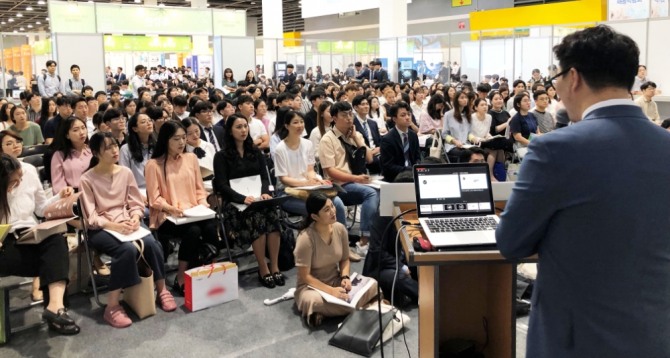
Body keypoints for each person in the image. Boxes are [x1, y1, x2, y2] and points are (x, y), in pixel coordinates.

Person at [496, 25, 670, 358]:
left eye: (556, 78)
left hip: (576, 339)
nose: (556, 89)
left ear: (573, 77)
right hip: (655, 334)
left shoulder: (554, 150)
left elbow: (511, 242)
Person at [80, 132, 176, 328]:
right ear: (96, 152)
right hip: (101, 228)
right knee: (126, 250)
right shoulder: (87, 179)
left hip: (126, 222)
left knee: (152, 244)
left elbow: (135, 203)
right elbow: (91, 216)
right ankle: (112, 305)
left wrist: (134, 217)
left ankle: (162, 289)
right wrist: (114, 226)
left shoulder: (125, 172)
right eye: (108, 147)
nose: (115, 150)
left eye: (115, 145)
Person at [0, 154, 81, 335]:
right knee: (52, 261)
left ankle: (55, 307)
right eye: (14, 182)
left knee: (57, 240)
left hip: (30, 234)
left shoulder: (28, 170)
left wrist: (59, 197)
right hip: (5, 244)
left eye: (20, 178)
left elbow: (41, 208)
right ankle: (58, 313)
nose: (20, 182)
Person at [145, 121, 219, 295]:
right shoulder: (154, 165)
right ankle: (181, 277)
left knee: (210, 226)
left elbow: (199, 189)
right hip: (168, 216)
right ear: (165, 140)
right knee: (192, 231)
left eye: (183, 138)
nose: (181, 142)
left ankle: (211, 271)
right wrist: (170, 208)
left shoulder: (191, 158)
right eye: (176, 139)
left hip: (193, 211)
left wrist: (203, 204)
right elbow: (154, 199)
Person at [213, 115, 284, 289]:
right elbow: (221, 186)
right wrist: (241, 198)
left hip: (257, 198)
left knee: (272, 215)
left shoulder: (255, 151)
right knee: (256, 218)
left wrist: (265, 193)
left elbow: (265, 178)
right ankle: (263, 267)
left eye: (245, 126)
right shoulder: (221, 156)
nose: (243, 130)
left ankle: (274, 265)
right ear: (230, 131)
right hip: (235, 203)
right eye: (238, 127)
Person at [294, 193, 379, 328]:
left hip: (335, 280)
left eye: (332, 206)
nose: (333, 211)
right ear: (315, 216)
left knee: (373, 284)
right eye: (326, 210)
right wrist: (330, 291)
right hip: (311, 288)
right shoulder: (305, 238)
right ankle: (354, 306)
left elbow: (345, 259)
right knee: (312, 301)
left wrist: (345, 276)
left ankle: (327, 312)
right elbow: (305, 277)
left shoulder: (339, 228)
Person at [318, 101, 378, 256]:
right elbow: (330, 171)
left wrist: (357, 140)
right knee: (371, 193)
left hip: (355, 181)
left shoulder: (355, 134)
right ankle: (364, 240)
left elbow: (370, 159)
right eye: (344, 115)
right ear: (334, 118)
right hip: (338, 185)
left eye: (350, 114)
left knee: (383, 191)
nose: (349, 118)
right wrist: (356, 178)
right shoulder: (327, 139)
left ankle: (375, 238)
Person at [273, 110, 347, 226]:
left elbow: (310, 170)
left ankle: (341, 238)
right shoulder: (280, 149)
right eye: (295, 122)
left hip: (309, 189)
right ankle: (320, 239)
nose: (300, 125)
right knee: (322, 209)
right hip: (287, 193)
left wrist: (316, 180)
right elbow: (284, 179)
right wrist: (306, 183)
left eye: (302, 122)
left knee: (337, 203)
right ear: (287, 126)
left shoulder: (307, 144)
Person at [50, 117, 92, 195]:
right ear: (67, 135)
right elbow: (58, 185)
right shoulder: (59, 155)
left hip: (95, 193)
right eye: (75, 130)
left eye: (83, 128)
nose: (82, 132)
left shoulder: (93, 151)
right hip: (72, 196)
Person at [380, 101, 420, 182]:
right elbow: (388, 166)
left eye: (408, 114)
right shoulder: (387, 139)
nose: (407, 117)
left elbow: (417, 157)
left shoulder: (413, 135)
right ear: (394, 119)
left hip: (413, 174)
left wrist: (416, 167)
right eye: (403, 115)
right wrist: (408, 169)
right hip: (396, 176)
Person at [119, 113, 155, 203]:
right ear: (135, 128)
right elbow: (124, 179)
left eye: (150, 120)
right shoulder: (126, 149)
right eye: (143, 122)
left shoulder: (157, 146)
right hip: (136, 192)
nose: (149, 123)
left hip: (156, 191)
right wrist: (139, 196)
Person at [441, 90, 472, 163]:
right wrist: (455, 141)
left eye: (466, 98)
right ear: (456, 100)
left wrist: (474, 139)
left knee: (479, 152)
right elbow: (444, 134)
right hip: (452, 146)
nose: (465, 100)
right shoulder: (448, 115)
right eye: (462, 98)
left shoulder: (467, 115)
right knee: (466, 154)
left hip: (466, 144)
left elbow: (469, 133)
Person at [509, 93, 541, 158]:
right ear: (518, 104)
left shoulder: (532, 115)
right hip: (522, 146)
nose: (528, 103)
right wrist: (532, 144)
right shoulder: (516, 118)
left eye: (529, 100)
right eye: (525, 101)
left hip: (534, 143)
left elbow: (538, 132)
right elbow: (518, 137)